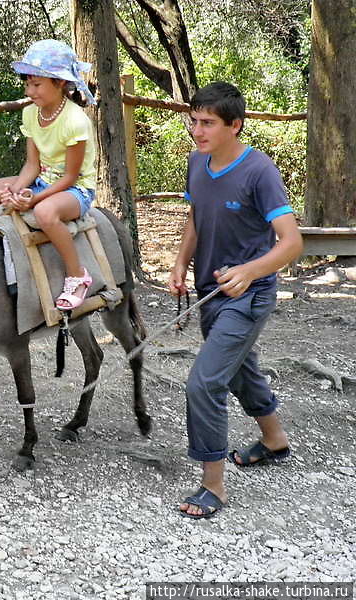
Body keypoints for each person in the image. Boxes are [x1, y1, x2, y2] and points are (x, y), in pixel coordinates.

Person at [168, 81, 303, 519]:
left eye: (207, 123)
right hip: (210, 292)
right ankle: (274, 440)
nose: (197, 131)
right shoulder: (196, 163)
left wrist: (248, 271)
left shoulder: (259, 171)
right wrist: (178, 264)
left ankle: (214, 486)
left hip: (250, 294)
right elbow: (195, 218)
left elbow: (291, 243)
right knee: (240, 368)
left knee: (204, 382)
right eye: (194, 121)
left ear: (235, 125)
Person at [0, 39, 97, 310]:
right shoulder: (31, 114)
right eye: (27, 84)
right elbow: (32, 165)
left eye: (36, 84)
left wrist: (34, 200)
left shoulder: (75, 121)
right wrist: (15, 191)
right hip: (42, 181)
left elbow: (71, 177)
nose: (30, 91)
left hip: (75, 190)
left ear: (60, 82)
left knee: (44, 214)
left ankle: (77, 275)